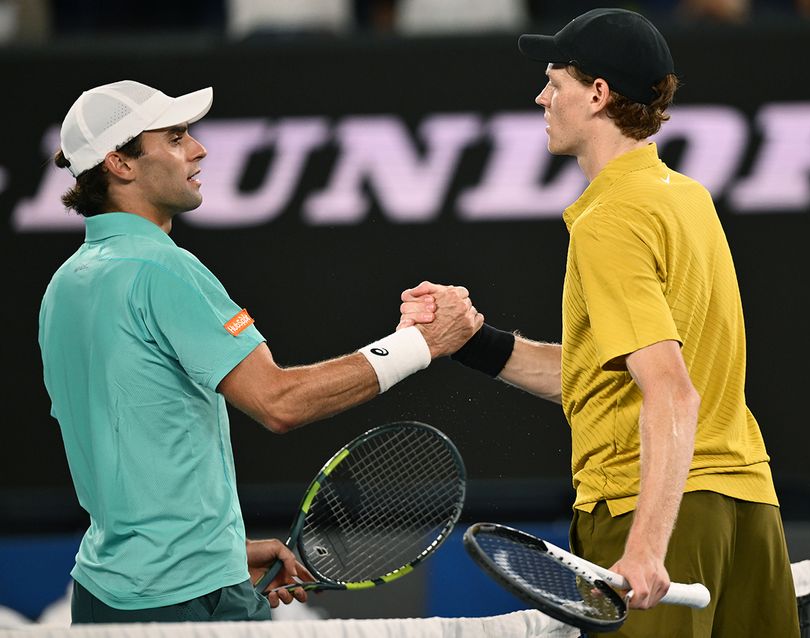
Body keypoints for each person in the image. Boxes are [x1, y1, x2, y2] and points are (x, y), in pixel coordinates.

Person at [399, 8, 799, 637]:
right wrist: (473, 341)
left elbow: (671, 391)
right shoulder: (685, 198)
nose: (542, 97)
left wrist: (646, 546)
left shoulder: (609, 219)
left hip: (651, 508)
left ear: (598, 94)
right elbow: (605, 375)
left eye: (554, 82)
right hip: (746, 507)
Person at [38, 80, 481, 624]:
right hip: (185, 601)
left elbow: (129, 447)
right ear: (120, 164)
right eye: (174, 138)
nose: (198, 149)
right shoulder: (162, 268)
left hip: (104, 594)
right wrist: (419, 343)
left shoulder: (66, 285)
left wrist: (222, 551)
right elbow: (279, 402)